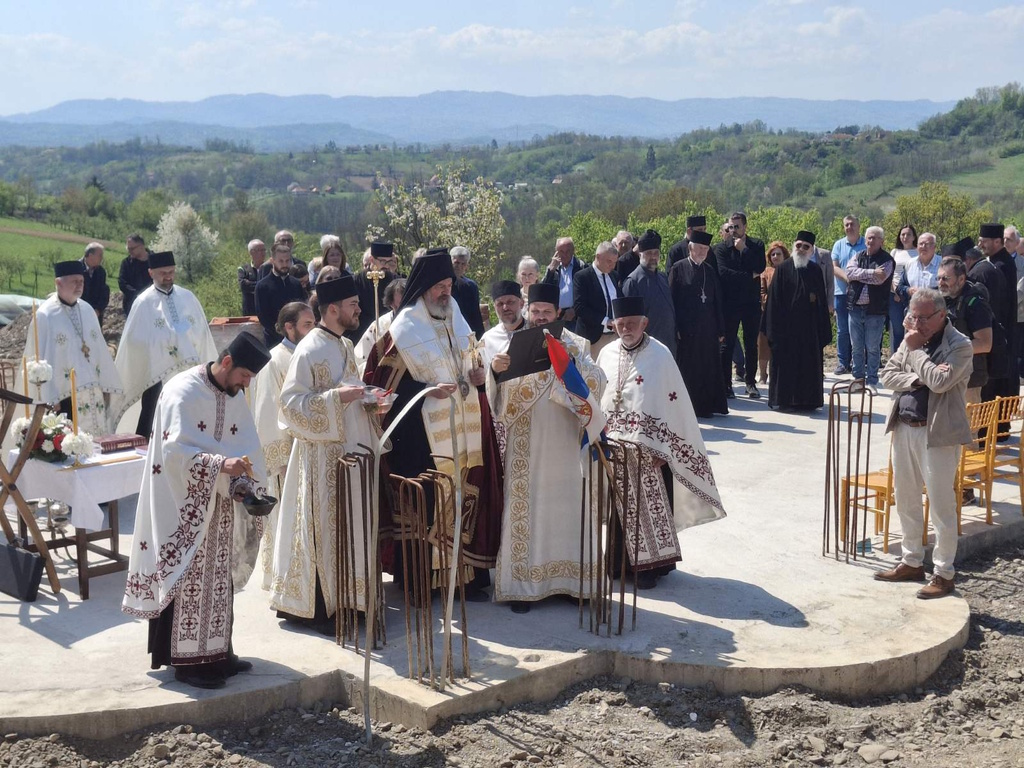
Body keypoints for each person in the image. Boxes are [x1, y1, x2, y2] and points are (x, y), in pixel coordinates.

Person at [122, 334, 271, 689]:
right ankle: (188, 663)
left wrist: (243, 485)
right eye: (245, 376)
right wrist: (221, 464)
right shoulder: (182, 391)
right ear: (227, 361)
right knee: (190, 579)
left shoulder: (233, 396)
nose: (246, 384)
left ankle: (220, 653)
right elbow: (173, 453)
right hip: (181, 504)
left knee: (219, 580)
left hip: (217, 507)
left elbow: (245, 446)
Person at [363, 248, 503, 597]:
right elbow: (380, 381)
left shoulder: (456, 315)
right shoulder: (403, 329)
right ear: (423, 287)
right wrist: (425, 390)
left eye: (448, 284)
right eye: (439, 286)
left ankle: (464, 578)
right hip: (421, 438)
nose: (445, 292)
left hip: (464, 430)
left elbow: (473, 360)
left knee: (464, 497)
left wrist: (478, 373)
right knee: (425, 503)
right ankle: (422, 580)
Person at [271, 275, 385, 632]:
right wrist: (338, 398)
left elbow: (350, 392)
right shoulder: (308, 349)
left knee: (351, 526)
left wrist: (370, 402)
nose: (359, 310)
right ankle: (324, 609)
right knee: (325, 528)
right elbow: (288, 406)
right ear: (332, 309)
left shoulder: (345, 346)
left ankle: (354, 600)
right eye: (353, 305)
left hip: (350, 454)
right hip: (320, 459)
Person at [486, 282, 605, 613]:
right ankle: (523, 587)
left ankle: (575, 584)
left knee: (570, 511)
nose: (540, 317)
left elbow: (597, 383)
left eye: (546, 312)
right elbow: (498, 394)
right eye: (535, 311)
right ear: (528, 310)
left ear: (558, 313)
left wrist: (571, 370)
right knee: (527, 509)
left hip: (567, 444)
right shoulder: (514, 344)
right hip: (528, 442)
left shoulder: (578, 344)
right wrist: (494, 374)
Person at [596, 295, 725, 588]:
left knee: (649, 506)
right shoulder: (606, 353)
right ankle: (618, 566)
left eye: (632, 323)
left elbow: (674, 404)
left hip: (649, 451)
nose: (626, 328)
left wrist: (666, 449)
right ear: (614, 323)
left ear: (645, 323)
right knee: (620, 508)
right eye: (620, 323)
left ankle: (649, 569)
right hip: (615, 449)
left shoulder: (661, 354)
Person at [875, 288, 973, 600]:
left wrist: (915, 353)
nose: (916, 324)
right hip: (904, 427)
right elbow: (887, 375)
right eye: (912, 317)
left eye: (923, 318)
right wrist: (918, 378)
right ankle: (911, 560)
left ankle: (944, 573)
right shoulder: (913, 338)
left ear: (941, 315)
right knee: (904, 497)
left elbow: (942, 382)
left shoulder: (960, 345)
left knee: (941, 504)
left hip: (938, 434)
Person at [112, 251, 217, 439]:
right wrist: (161, 347)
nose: (168, 276)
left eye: (171, 272)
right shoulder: (143, 302)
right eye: (163, 273)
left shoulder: (188, 297)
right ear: (151, 273)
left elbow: (202, 332)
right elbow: (133, 342)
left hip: (190, 372)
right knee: (151, 420)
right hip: (156, 376)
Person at [249, 302, 315, 588]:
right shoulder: (275, 360)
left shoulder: (309, 353)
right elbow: (266, 413)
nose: (313, 329)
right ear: (289, 327)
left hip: (311, 451)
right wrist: (281, 459)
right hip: (287, 458)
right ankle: (283, 579)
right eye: (307, 325)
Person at [24, 261, 122, 435]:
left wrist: (106, 383)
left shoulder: (88, 310)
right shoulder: (45, 315)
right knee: (68, 443)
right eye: (74, 281)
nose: (79, 285)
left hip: (93, 390)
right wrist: (48, 395)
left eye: (81, 281)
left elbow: (99, 350)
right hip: (63, 394)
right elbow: (38, 359)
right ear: (58, 283)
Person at [762, 231, 832, 411]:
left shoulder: (815, 270)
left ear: (811, 250)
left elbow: (822, 302)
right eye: (798, 245)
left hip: (809, 330)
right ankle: (784, 401)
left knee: (808, 365)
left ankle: (808, 401)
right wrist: (773, 331)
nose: (801, 249)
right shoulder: (783, 269)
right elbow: (774, 302)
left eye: (805, 247)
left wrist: (823, 329)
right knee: (787, 365)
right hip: (786, 330)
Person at [669, 230, 728, 418]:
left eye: (706, 249)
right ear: (690, 248)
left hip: (708, 330)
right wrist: (676, 327)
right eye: (699, 248)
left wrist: (720, 328)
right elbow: (671, 301)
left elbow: (718, 301)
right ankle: (688, 407)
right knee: (689, 369)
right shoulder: (678, 268)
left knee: (708, 367)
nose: (703, 252)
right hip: (687, 331)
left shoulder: (709, 271)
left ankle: (706, 406)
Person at [712, 211, 766, 399]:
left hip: (751, 303)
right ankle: (726, 384)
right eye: (731, 226)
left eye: (737, 226)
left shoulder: (756, 245)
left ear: (745, 226)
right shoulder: (721, 248)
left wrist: (744, 250)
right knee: (727, 344)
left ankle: (750, 383)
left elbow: (759, 268)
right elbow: (723, 274)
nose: (733, 230)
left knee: (752, 345)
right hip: (730, 303)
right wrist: (747, 276)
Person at [937, 257, 993, 405]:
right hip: (945, 377)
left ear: (961, 279)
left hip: (969, 382)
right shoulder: (943, 300)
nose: (940, 282)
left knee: (967, 428)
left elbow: (985, 343)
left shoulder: (976, 303)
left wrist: (951, 350)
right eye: (939, 278)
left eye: (946, 278)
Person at [844, 226, 894, 391]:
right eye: (869, 238)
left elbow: (880, 280)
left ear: (882, 241)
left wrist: (860, 276)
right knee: (856, 346)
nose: (871, 241)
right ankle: (858, 381)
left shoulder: (887, 260)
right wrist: (871, 272)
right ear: (865, 240)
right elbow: (849, 273)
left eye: (875, 238)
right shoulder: (857, 256)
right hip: (855, 308)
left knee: (872, 348)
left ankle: (872, 381)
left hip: (875, 310)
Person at [978, 223, 1019, 410]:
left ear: (997, 241)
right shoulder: (995, 261)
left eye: (984, 241)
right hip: (998, 329)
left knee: (998, 379)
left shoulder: (1001, 264)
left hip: (1000, 330)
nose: (980, 245)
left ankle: (998, 425)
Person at [622, 229, 676, 357]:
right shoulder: (633, 282)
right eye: (649, 253)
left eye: (656, 253)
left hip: (668, 344)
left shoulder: (662, 277)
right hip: (646, 348)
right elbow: (629, 320)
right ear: (640, 254)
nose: (653, 257)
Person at [830, 215, 866, 375]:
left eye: (852, 224)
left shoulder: (867, 243)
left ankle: (857, 363)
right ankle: (843, 362)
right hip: (841, 293)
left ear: (859, 226)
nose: (849, 227)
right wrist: (848, 278)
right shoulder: (838, 245)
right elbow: (834, 266)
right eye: (846, 225)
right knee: (842, 329)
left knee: (860, 328)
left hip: (863, 294)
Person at [573, 241, 620, 357]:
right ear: (598, 257)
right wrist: (606, 321)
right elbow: (580, 307)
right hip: (592, 338)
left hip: (614, 337)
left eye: (615, 262)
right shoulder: (582, 277)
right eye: (609, 261)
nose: (612, 266)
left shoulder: (614, 276)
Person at [255, 243, 306, 348]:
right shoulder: (262, 286)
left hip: (297, 339)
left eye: (287, 261)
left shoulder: (296, 284)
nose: (285, 265)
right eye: (281, 261)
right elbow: (264, 317)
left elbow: (302, 309)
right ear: (273, 261)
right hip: (274, 341)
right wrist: (283, 333)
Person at [348, 241, 399, 344]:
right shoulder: (356, 281)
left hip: (388, 333)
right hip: (362, 334)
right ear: (372, 259)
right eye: (382, 261)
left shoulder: (394, 281)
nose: (386, 266)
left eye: (389, 262)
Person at [354, 277, 406, 368]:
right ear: (392, 304)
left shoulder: (422, 321)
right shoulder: (379, 326)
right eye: (400, 305)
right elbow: (361, 359)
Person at [757, 242, 789, 384]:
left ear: (785, 255)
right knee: (763, 345)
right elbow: (762, 292)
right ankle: (763, 376)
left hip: (785, 315)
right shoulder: (766, 272)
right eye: (773, 254)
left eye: (778, 254)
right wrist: (770, 302)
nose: (775, 256)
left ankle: (779, 375)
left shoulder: (790, 270)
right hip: (767, 313)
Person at [888, 224, 919, 353]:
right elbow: (889, 274)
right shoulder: (895, 252)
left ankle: (910, 357)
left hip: (912, 295)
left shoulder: (918, 252)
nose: (905, 237)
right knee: (897, 329)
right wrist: (896, 292)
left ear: (914, 237)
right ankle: (896, 357)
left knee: (912, 328)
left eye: (908, 234)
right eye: (903, 234)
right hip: (894, 295)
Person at [542, 237, 583, 330]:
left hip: (575, 317)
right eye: (561, 251)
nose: (565, 254)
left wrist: (575, 310)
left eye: (568, 251)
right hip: (556, 317)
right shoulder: (553, 269)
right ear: (556, 252)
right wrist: (550, 271)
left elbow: (587, 294)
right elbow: (543, 291)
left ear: (573, 251)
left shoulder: (581, 267)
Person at [450, 246, 486, 338]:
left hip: (467, 332)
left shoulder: (471, 286)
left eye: (463, 264)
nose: (459, 267)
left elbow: (476, 315)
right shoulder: (442, 285)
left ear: (467, 266)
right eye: (456, 263)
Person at [118, 233, 153, 316]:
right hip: (132, 305)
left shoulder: (155, 261)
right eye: (128, 248)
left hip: (153, 304)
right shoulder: (126, 263)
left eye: (132, 248)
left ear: (142, 246)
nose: (129, 251)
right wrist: (137, 295)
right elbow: (122, 282)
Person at [81, 242, 110, 322]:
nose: (102, 258)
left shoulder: (101, 272)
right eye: (100, 255)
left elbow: (104, 293)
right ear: (90, 255)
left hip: (95, 316)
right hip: (79, 313)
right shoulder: (76, 269)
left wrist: (98, 310)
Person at [238, 239, 266, 316]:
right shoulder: (243, 269)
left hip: (267, 311)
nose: (263, 253)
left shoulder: (270, 268)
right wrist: (263, 286)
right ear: (251, 252)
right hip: (250, 312)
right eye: (260, 250)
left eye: (264, 250)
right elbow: (243, 286)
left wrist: (252, 284)